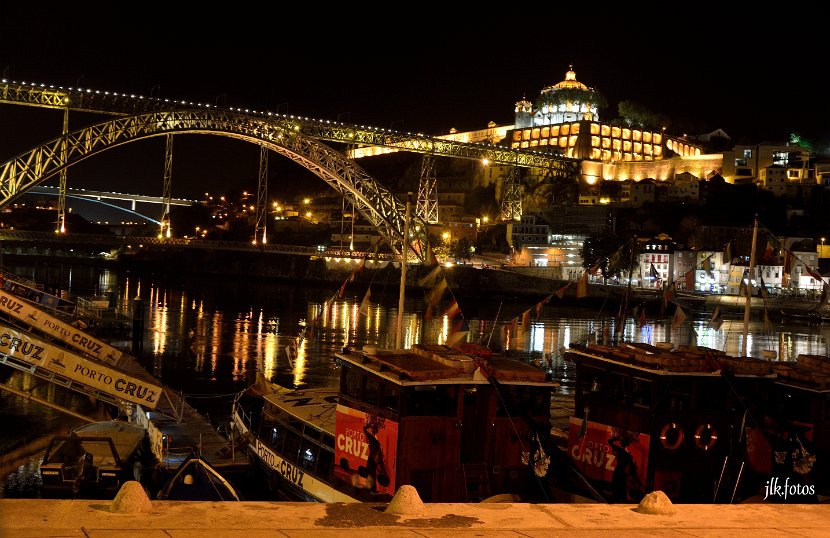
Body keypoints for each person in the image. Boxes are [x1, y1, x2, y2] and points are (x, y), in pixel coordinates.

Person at [608, 435, 644, 503]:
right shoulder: (628, 456)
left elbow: (609, 441)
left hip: (616, 473)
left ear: (621, 443)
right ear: (628, 444)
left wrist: (616, 437)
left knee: (616, 491)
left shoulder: (619, 450)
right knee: (621, 493)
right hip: (622, 475)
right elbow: (629, 468)